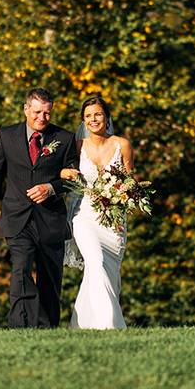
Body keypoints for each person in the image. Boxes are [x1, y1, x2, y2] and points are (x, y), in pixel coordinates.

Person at [0, 88, 80, 328]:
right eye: (37, 112)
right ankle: (19, 326)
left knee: (50, 278)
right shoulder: (7, 136)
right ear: (26, 109)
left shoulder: (64, 139)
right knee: (20, 269)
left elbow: (75, 177)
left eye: (47, 113)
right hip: (17, 218)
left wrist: (52, 188)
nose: (42, 118)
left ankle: (47, 328)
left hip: (50, 219)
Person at [60, 95, 133, 330]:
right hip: (85, 216)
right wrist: (65, 174)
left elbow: (131, 181)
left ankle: (82, 326)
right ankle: (111, 325)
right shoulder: (78, 145)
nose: (93, 119)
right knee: (95, 260)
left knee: (106, 271)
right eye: (88, 116)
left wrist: (122, 194)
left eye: (98, 114)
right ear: (83, 120)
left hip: (114, 220)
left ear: (107, 117)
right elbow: (59, 171)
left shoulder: (122, 144)